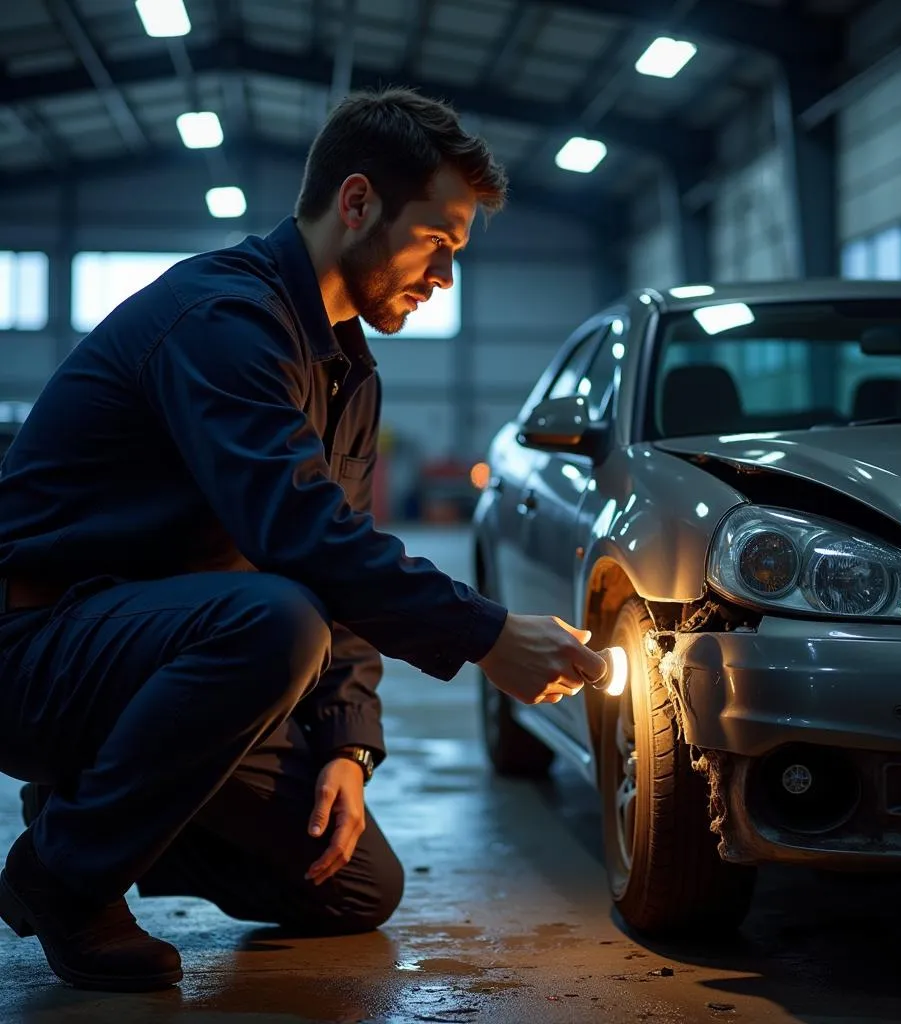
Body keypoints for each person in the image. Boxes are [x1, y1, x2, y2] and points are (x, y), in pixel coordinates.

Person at [0, 86, 606, 993]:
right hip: (39, 650)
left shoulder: (346, 370)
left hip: (159, 662)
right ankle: (63, 878)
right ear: (356, 203)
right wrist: (486, 636)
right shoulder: (224, 321)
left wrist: (348, 747)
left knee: (353, 885)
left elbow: (348, 562)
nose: (444, 277)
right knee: (277, 620)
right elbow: (297, 533)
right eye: (437, 243)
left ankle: (85, 810)